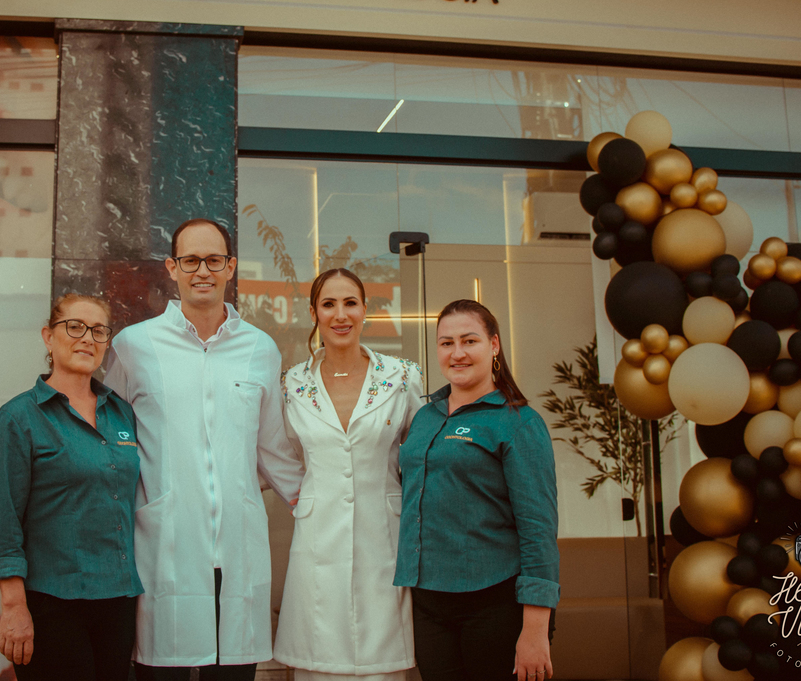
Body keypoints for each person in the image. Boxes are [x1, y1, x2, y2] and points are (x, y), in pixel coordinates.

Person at [104, 218, 305, 681]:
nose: (202, 271)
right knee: (163, 670)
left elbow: (273, 449)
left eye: (214, 260)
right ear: (172, 267)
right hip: (165, 545)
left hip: (237, 547)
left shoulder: (260, 349)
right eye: (191, 260)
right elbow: (113, 445)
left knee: (233, 670)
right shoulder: (134, 346)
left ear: (230, 267)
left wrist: (318, 506)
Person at [395, 299, 559, 681]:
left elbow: (538, 531)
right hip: (428, 602)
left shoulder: (518, 421)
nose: (457, 353)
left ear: (494, 345)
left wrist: (535, 629)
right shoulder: (425, 417)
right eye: (446, 343)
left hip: (495, 602)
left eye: (469, 341)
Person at [0, 293, 142, 681]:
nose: (87, 338)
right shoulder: (18, 418)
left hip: (118, 600)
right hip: (52, 602)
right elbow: (2, 520)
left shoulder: (121, 412)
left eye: (99, 331)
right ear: (48, 337)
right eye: (75, 327)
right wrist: (14, 606)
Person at [275, 268, 425, 681]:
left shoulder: (402, 377)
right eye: (329, 304)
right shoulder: (291, 384)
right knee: (317, 662)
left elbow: (420, 455)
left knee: (383, 664)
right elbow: (282, 453)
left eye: (350, 303)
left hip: (384, 539)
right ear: (313, 313)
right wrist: (304, 497)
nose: (340, 315)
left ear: (364, 310)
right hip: (317, 541)